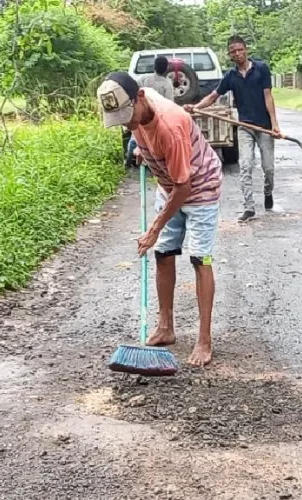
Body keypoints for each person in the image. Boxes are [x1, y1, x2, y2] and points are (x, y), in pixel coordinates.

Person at [96, 71, 223, 367]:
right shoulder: (137, 107)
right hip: (169, 185)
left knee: (200, 258)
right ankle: (166, 328)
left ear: (140, 97)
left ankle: (204, 339)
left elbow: (185, 186)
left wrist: (155, 227)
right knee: (163, 254)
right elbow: (145, 132)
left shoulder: (172, 125)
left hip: (198, 187)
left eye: (129, 116)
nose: (127, 123)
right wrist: (143, 148)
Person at [185, 35, 282, 223]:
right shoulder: (230, 76)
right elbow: (213, 96)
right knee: (245, 166)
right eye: (233, 51)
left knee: (268, 168)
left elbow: (268, 96)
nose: (237, 53)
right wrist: (196, 107)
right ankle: (249, 207)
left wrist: (274, 124)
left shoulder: (261, 69)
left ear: (246, 50)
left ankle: (268, 191)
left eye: (240, 49)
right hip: (245, 127)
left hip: (264, 127)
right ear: (230, 55)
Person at [126, 55, 174, 168]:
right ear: (167, 68)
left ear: (154, 67)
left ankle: (128, 162)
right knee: (156, 140)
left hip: (141, 115)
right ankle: (157, 164)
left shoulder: (145, 79)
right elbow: (169, 104)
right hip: (157, 118)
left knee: (135, 139)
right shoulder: (167, 84)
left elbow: (133, 90)